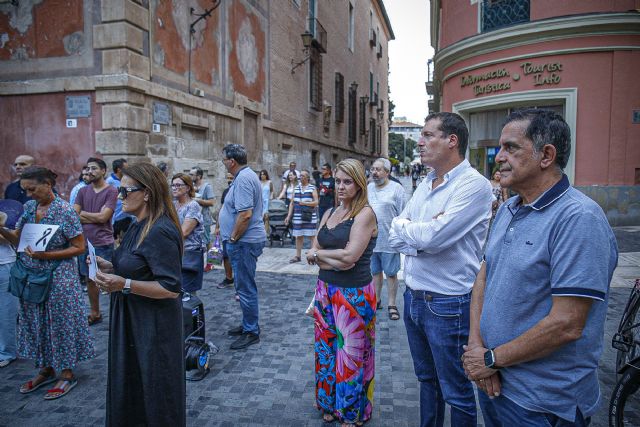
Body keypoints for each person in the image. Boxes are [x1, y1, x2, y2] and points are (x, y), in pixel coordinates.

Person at [462, 109, 618, 426]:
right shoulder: (508, 209)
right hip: (494, 385)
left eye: (511, 147)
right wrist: (477, 349)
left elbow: (567, 323)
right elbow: (485, 275)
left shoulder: (578, 218)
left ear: (546, 155)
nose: (498, 157)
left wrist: (492, 359)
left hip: (542, 403)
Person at [388, 112, 494, 427]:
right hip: (414, 297)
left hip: (448, 303)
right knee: (426, 381)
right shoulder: (425, 182)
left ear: (452, 140)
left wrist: (418, 234)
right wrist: (419, 235)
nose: (420, 142)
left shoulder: (474, 185)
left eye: (428, 135)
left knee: (457, 392)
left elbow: (436, 237)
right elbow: (396, 232)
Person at [93, 162, 185, 426]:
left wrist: (123, 284)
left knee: (155, 392)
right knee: (133, 388)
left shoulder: (159, 230)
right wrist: (112, 267)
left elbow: (170, 288)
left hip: (153, 328)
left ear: (146, 193)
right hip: (134, 321)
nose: (118, 198)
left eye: (124, 192)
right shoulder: (137, 225)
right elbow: (140, 266)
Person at [0, 167, 94, 399]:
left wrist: (45, 256)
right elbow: (20, 238)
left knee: (60, 323)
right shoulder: (30, 208)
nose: (28, 194)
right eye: (25, 190)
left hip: (59, 278)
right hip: (32, 277)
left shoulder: (64, 211)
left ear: (47, 185)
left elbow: (79, 247)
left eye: (32, 189)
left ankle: (66, 373)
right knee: (36, 322)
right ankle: (46, 368)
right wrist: (1, 228)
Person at [306, 158, 378, 427]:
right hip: (325, 289)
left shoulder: (365, 214)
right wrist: (324, 257)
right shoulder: (329, 213)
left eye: (347, 182)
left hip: (354, 295)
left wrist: (319, 255)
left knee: (351, 354)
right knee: (325, 349)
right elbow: (314, 250)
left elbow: (349, 258)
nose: (341, 186)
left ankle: (350, 411)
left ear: (359, 184)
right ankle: (327, 402)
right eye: (338, 181)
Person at [219, 144, 266, 350]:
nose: (223, 163)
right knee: (243, 285)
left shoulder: (244, 179)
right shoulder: (244, 177)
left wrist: (233, 238)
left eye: (223, 160)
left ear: (232, 161)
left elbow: (245, 214)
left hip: (244, 243)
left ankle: (251, 331)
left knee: (245, 287)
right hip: (243, 242)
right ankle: (248, 323)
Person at [74, 157, 118, 326]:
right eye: (87, 169)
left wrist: (83, 215)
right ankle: (95, 312)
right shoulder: (82, 191)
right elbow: (73, 215)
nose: (89, 171)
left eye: (93, 168)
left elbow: (104, 217)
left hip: (102, 241)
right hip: (83, 241)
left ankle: (117, 312)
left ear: (103, 171)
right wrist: (94, 216)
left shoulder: (111, 191)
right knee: (90, 279)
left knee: (107, 278)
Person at [367, 158, 406, 320]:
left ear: (387, 172)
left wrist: (401, 237)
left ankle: (392, 304)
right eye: (373, 169)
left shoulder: (397, 189)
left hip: (389, 240)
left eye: (378, 169)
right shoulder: (368, 187)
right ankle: (376, 301)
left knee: (391, 273)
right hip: (370, 240)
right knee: (375, 272)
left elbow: (404, 214)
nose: (374, 172)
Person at [172, 173, 205, 295]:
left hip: (189, 254)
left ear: (188, 188)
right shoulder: (173, 205)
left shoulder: (193, 205)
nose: (174, 188)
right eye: (173, 185)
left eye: (178, 185)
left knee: (188, 293)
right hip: (175, 253)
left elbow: (184, 232)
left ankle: (192, 314)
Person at [0, 200, 22, 368]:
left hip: (4, 264)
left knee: (7, 311)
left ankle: (7, 351)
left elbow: (14, 238)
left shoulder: (6, 211)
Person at [285, 170, 319, 263]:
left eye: (303, 176)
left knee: (312, 236)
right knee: (298, 236)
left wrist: (304, 203)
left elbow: (316, 202)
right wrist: (288, 216)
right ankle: (297, 256)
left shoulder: (312, 188)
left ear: (308, 178)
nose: (301, 177)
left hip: (310, 216)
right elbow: (292, 203)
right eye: (300, 176)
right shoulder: (296, 188)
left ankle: (312, 256)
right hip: (297, 216)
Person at [215, 172, 235, 290]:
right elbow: (221, 209)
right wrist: (217, 226)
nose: (229, 179)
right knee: (226, 256)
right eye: (227, 177)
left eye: (231, 177)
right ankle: (229, 278)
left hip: (236, 231)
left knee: (236, 257)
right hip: (225, 230)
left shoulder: (239, 190)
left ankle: (240, 282)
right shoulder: (225, 192)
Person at [106, 158, 134, 241]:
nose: (128, 170)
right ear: (119, 169)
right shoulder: (109, 182)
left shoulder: (126, 180)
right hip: (116, 218)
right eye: (126, 168)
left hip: (127, 216)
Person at [190, 167, 216, 252]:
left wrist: (198, 200)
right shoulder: (191, 187)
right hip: (193, 218)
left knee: (207, 240)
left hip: (204, 219)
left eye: (192, 174)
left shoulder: (207, 187)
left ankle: (211, 262)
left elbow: (212, 202)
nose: (190, 176)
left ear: (199, 176)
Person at [259, 169, 274, 236]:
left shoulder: (269, 182)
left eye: (263, 174)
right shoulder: (258, 182)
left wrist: (271, 197)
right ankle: (260, 232)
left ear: (266, 175)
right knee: (260, 217)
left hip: (267, 201)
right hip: (260, 201)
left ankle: (266, 233)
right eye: (261, 174)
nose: (262, 176)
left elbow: (272, 191)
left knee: (266, 217)